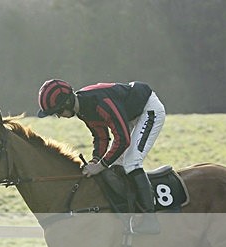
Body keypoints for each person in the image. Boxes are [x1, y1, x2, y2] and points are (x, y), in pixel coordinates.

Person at [37, 79, 165, 234]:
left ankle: (150, 220)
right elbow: (101, 137)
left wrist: (100, 166)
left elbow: (123, 139)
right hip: (130, 115)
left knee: (132, 162)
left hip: (148, 110)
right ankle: (129, 212)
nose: (58, 116)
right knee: (117, 166)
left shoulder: (100, 102)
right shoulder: (83, 110)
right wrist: (95, 160)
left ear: (67, 103)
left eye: (58, 111)